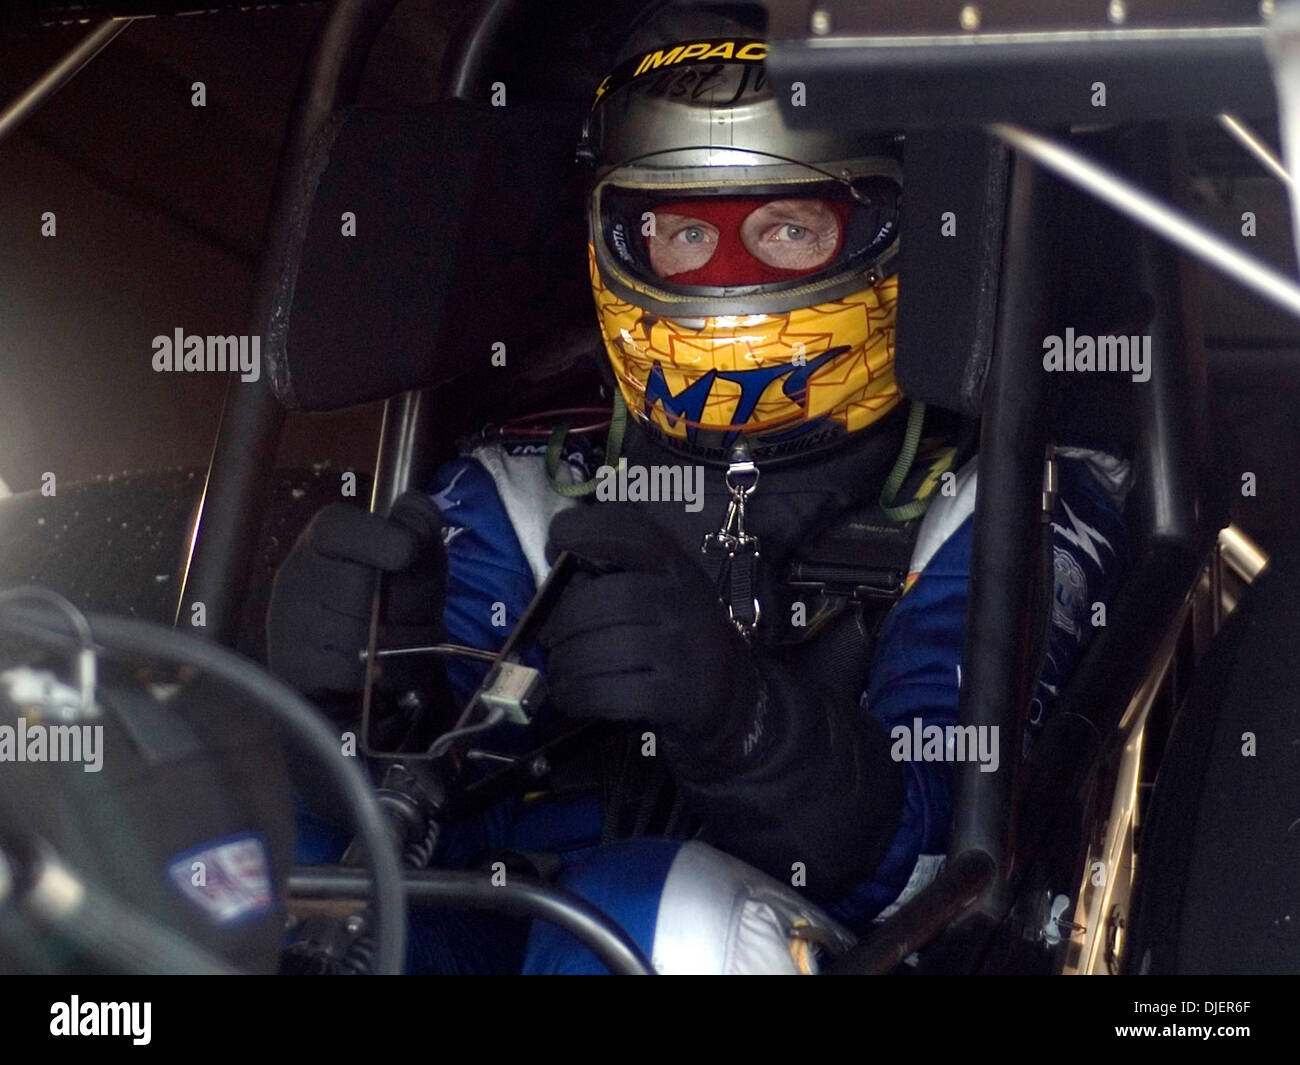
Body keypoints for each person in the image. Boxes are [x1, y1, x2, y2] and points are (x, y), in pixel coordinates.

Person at [267, 1, 1130, 974]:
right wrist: (361, 706)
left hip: (818, 942)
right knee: (254, 855)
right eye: (681, 231)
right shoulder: (535, 484)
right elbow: (403, 818)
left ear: (897, 234)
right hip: (526, 923)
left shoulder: (1004, 497)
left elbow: (951, 866)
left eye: (787, 227)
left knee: (646, 905)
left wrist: (744, 724)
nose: (725, 275)